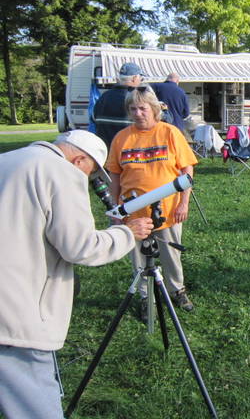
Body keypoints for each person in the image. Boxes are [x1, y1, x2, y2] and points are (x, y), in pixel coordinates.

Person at [0, 130, 154, 419]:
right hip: (16, 318)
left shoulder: (8, 159)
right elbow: (81, 247)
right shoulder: (61, 171)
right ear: (79, 160)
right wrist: (126, 233)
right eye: (91, 173)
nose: (89, 181)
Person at [106, 85, 198, 320]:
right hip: (133, 211)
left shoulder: (170, 133)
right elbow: (115, 175)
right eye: (133, 109)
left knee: (170, 253)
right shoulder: (122, 138)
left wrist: (183, 203)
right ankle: (145, 295)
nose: (138, 113)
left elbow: (187, 170)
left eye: (142, 108)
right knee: (138, 257)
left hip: (167, 209)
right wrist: (115, 209)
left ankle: (176, 289)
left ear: (154, 109)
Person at [92, 62, 146, 149]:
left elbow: (94, 118)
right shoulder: (134, 99)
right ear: (134, 78)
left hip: (105, 151)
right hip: (128, 152)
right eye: (141, 78)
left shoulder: (104, 97)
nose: (140, 81)